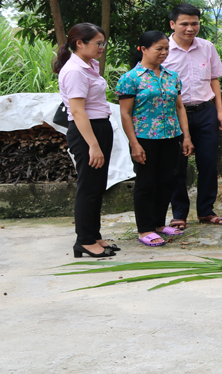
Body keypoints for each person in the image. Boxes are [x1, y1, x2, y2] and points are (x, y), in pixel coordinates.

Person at [116, 32, 194, 247]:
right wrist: (134, 144)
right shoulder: (130, 78)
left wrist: (186, 136)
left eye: (166, 49)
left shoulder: (172, 77)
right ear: (143, 49)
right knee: (146, 183)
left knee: (167, 181)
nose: (164, 53)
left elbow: (179, 107)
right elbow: (125, 113)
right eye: (159, 48)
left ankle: (159, 224)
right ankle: (145, 229)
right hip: (144, 138)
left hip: (170, 136)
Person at [53, 23, 119, 258]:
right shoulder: (74, 71)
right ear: (79, 43)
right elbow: (78, 111)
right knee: (89, 187)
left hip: (100, 126)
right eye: (98, 43)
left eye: (103, 43)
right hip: (86, 131)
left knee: (97, 185)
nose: (101, 47)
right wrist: (93, 145)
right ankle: (84, 240)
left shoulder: (89, 65)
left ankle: (94, 236)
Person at [164, 3, 222, 229]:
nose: (190, 28)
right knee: (176, 165)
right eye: (184, 24)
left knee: (209, 164)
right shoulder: (163, 49)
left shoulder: (207, 47)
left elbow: (214, 79)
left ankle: (206, 211)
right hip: (173, 116)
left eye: (194, 23)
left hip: (205, 113)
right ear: (173, 24)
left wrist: (219, 111)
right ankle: (179, 213)